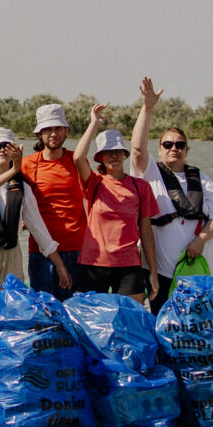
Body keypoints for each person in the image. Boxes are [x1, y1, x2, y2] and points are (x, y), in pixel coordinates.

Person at [136, 83, 213, 308]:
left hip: (200, 272)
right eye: (168, 144)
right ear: (160, 148)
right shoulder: (150, 174)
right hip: (163, 273)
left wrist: (200, 240)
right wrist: (147, 108)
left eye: (180, 145)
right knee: (163, 327)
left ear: (187, 149)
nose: (174, 148)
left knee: (199, 328)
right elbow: (137, 149)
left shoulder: (202, 178)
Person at [0, 128, 61, 295]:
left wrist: (59, 265)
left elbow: (38, 228)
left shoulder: (23, 187)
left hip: (11, 256)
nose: (2, 150)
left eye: (7, 146)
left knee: (10, 313)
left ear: (15, 151)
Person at [76, 111, 161, 299]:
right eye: (108, 152)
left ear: (125, 154)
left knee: (130, 321)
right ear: (100, 157)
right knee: (90, 321)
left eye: (117, 151)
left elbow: (146, 232)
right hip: (94, 263)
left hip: (129, 265)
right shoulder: (94, 183)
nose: (113, 155)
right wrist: (93, 124)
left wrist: (153, 271)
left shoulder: (141, 187)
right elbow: (78, 158)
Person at [18, 102, 91, 296]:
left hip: (78, 248)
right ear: (39, 134)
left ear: (66, 131)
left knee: (77, 312)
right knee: (45, 312)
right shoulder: (26, 165)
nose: (53, 133)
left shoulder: (77, 161)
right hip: (41, 251)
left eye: (58, 128)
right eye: (47, 129)